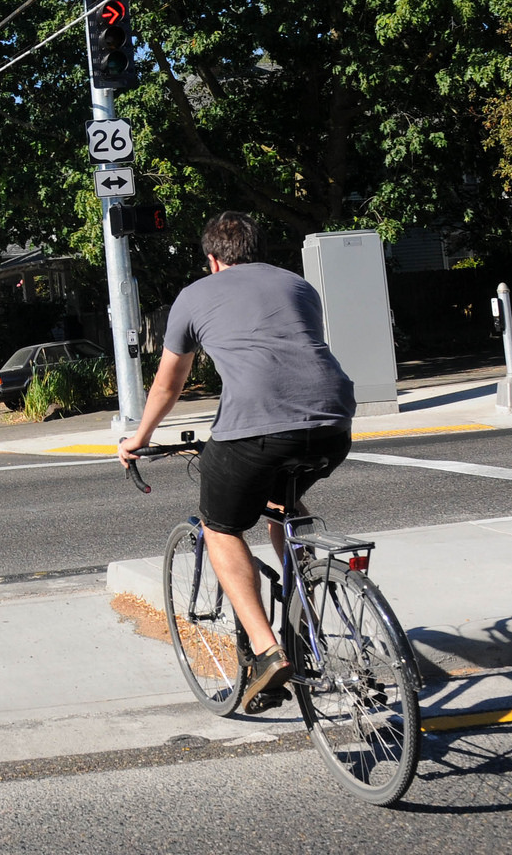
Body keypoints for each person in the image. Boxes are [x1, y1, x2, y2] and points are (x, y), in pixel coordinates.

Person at [118, 211, 355, 714]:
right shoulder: (298, 286)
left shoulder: (195, 296)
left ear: (212, 260)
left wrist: (138, 438)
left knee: (221, 527)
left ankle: (269, 651)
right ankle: (304, 601)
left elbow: (168, 383)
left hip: (254, 426)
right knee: (280, 501)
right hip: (334, 421)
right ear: (258, 249)